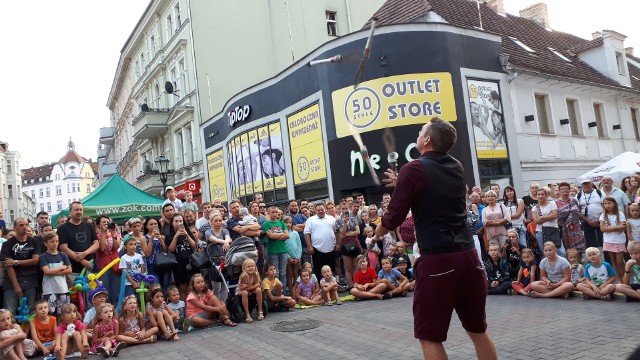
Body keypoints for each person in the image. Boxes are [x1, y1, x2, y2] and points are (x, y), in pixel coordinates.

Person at [374, 118, 496, 359]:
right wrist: (405, 182)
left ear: (427, 140)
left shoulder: (413, 169)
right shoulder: (456, 166)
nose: (419, 134)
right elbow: (436, 189)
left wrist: (378, 232)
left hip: (438, 260)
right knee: (477, 330)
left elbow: (393, 217)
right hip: (469, 258)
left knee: (429, 336)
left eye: (421, 131)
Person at [0, 218, 41, 312]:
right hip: (11, 283)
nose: (25, 227)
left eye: (26, 225)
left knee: (29, 313)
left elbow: (35, 260)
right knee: (9, 313)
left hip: (30, 281)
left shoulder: (34, 242)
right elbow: (8, 266)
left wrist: (15, 262)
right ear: (14, 228)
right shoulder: (7, 244)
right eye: (21, 225)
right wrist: (16, 286)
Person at [58, 202, 98, 280]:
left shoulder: (89, 226)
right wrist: (81, 260)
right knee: (76, 292)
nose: (79, 212)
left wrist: (85, 253)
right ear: (70, 212)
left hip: (91, 267)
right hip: (73, 270)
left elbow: (96, 244)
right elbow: (64, 248)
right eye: (76, 210)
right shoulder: (63, 228)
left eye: (81, 209)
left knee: (92, 292)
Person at [39, 233, 71, 316]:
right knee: (51, 313)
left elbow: (69, 270)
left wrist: (53, 272)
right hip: (50, 290)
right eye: (52, 241)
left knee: (64, 313)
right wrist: (61, 268)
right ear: (46, 243)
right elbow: (46, 272)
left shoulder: (63, 255)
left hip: (63, 288)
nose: (55, 243)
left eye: (57, 241)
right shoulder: (43, 256)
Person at [166, 214, 197, 299]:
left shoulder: (188, 232)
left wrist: (186, 235)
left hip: (191, 263)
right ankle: (185, 309)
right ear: (172, 223)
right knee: (183, 289)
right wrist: (176, 236)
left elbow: (194, 246)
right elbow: (171, 249)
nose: (178, 223)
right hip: (179, 266)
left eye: (180, 221)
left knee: (194, 287)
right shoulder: (169, 236)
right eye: (176, 221)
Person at [303, 204, 337, 281]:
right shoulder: (310, 220)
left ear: (325, 209)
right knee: (318, 269)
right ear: (315, 211)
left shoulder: (331, 219)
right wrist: (309, 246)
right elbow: (306, 233)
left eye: (322, 210)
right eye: (319, 210)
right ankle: (318, 286)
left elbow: (337, 232)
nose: (321, 211)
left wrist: (338, 243)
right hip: (317, 248)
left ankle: (334, 284)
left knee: (332, 268)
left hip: (331, 247)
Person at [94, 215, 122, 305]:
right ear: (98, 225)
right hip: (103, 267)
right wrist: (103, 233)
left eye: (107, 221)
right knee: (105, 290)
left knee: (116, 291)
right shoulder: (97, 236)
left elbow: (116, 247)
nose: (106, 223)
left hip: (115, 266)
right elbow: (101, 248)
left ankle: (115, 311)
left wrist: (113, 234)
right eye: (104, 222)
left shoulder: (115, 235)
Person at [555, 182, 586, 259]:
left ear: (569, 190)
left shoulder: (574, 200)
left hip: (576, 228)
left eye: (566, 188)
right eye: (562, 189)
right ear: (559, 191)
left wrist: (587, 220)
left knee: (578, 250)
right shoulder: (555, 203)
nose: (564, 190)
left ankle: (579, 268)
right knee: (568, 250)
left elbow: (578, 212)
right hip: (564, 230)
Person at [532, 187, 565, 257]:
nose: (540, 196)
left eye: (542, 194)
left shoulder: (552, 203)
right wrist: (549, 216)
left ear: (546, 195)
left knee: (561, 252)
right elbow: (536, 221)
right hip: (540, 231)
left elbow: (555, 215)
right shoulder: (535, 208)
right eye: (539, 194)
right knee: (546, 253)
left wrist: (541, 217)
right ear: (536, 196)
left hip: (553, 230)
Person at [599, 196, 627, 282]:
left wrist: (609, 228)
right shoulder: (603, 215)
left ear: (614, 204)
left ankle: (624, 278)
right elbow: (602, 229)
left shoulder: (620, 214)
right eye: (605, 203)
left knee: (620, 261)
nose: (607, 205)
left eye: (609, 203)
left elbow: (623, 227)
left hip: (619, 240)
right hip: (608, 241)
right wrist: (616, 227)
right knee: (613, 261)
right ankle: (618, 279)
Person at [262, 206, 289, 291]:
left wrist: (275, 235)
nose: (275, 214)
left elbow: (287, 235)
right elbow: (270, 236)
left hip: (283, 250)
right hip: (273, 251)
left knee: (283, 273)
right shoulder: (266, 224)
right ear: (269, 213)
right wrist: (282, 235)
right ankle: (276, 292)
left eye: (276, 212)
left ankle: (283, 292)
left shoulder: (281, 223)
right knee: (275, 273)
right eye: (273, 212)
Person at [577, 179, 604, 255]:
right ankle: (591, 263)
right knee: (590, 244)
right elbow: (577, 210)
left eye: (587, 183)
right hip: (586, 222)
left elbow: (605, 206)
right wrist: (588, 221)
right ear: (581, 185)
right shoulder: (578, 195)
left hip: (601, 221)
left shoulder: (599, 192)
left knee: (604, 242)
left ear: (591, 184)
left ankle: (608, 261)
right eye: (584, 184)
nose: (586, 185)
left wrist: (598, 219)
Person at [141, 218, 169, 291]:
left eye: (155, 224)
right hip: (151, 266)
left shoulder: (162, 237)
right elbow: (147, 253)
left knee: (165, 288)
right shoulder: (144, 238)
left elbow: (165, 250)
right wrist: (151, 238)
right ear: (146, 226)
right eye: (151, 224)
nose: (153, 226)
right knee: (156, 288)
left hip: (163, 265)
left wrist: (160, 238)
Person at [337, 210, 360, 290]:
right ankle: (351, 287)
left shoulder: (353, 219)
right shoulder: (339, 221)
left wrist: (348, 234)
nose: (345, 213)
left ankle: (356, 284)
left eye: (346, 211)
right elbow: (342, 234)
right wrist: (345, 223)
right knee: (348, 267)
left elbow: (358, 231)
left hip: (355, 244)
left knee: (355, 266)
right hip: (345, 246)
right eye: (342, 210)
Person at [282, 216, 301, 296]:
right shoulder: (283, 234)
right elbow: (283, 246)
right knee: (289, 274)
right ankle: (292, 293)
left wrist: (298, 257)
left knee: (296, 274)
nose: (288, 224)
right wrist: (288, 257)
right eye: (286, 223)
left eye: (290, 222)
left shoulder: (295, 233)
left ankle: (297, 292)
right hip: (288, 258)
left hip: (296, 257)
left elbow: (299, 245)